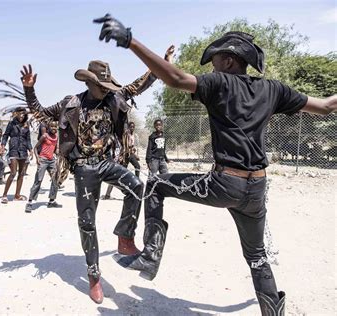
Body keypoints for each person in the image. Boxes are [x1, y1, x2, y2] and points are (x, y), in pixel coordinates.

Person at [94, 14, 337, 314]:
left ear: (230, 61)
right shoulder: (273, 89)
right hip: (257, 188)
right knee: (257, 256)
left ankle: (150, 255)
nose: (212, 65)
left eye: (216, 59)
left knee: (156, 184)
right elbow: (326, 106)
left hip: (225, 184)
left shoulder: (219, 83)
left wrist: (130, 41)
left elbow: (176, 78)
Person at [19, 46, 173, 304]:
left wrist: (161, 64)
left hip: (106, 163)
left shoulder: (114, 98)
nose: (107, 89)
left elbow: (139, 85)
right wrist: (29, 89)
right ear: (90, 82)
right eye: (102, 85)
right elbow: (40, 113)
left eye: (108, 85)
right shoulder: (72, 103)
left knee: (137, 186)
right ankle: (94, 276)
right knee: (87, 223)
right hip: (84, 168)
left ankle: (125, 237)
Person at [25, 121, 62, 212]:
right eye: (52, 126)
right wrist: (37, 158)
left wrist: (57, 153)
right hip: (43, 160)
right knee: (38, 180)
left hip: (51, 160)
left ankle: (51, 201)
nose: (54, 128)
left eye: (55, 126)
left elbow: (55, 149)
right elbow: (35, 148)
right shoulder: (44, 136)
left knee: (55, 179)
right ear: (49, 127)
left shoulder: (56, 137)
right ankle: (29, 202)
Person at [0, 108, 33, 204]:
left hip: (23, 150)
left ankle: (17, 195)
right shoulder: (12, 123)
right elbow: (5, 135)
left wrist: (30, 149)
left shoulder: (26, 125)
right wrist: (3, 145)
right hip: (14, 149)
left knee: (22, 173)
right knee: (13, 172)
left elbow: (28, 139)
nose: (21, 115)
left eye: (23, 114)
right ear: (16, 114)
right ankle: (4, 195)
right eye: (20, 113)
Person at [103, 121, 141, 200]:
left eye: (133, 127)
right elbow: (124, 146)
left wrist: (134, 153)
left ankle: (137, 184)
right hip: (125, 155)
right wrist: (121, 155)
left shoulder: (133, 135)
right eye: (130, 127)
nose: (132, 128)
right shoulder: (125, 135)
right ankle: (107, 194)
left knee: (137, 166)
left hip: (130, 154)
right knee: (118, 174)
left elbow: (131, 146)